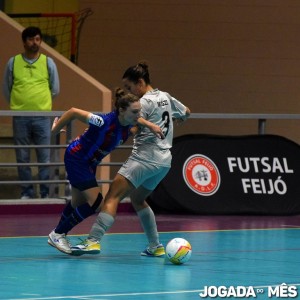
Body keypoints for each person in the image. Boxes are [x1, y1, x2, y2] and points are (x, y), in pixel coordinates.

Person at [71, 61, 191, 257]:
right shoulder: (165, 97)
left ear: (141, 82)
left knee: (112, 196)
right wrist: (180, 118)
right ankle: (155, 246)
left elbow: (131, 124)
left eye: (129, 87)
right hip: (164, 161)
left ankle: (92, 241)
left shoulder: (142, 103)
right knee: (137, 198)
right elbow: (186, 111)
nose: (129, 92)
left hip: (145, 157)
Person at [48, 88, 164, 254]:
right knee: (96, 204)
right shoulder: (101, 122)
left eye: (140, 111)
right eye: (135, 111)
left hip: (89, 163)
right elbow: (73, 112)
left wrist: (151, 124)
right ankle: (58, 233)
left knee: (77, 203)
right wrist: (54, 130)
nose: (139, 115)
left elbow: (139, 122)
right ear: (122, 111)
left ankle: (60, 233)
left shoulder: (128, 125)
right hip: (77, 159)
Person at [2, 26, 60, 199]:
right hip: (20, 117)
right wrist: (19, 104)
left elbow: (55, 89)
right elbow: (7, 88)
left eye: (37, 39)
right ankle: (26, 193)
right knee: (22, 157)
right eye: (30, 39)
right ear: (24, 42)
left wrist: (41, 103)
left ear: (40, 41)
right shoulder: (13, 62)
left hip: (43, 117)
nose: (34, 43)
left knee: (44, 158)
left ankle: (44, 194)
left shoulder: (48, 62)